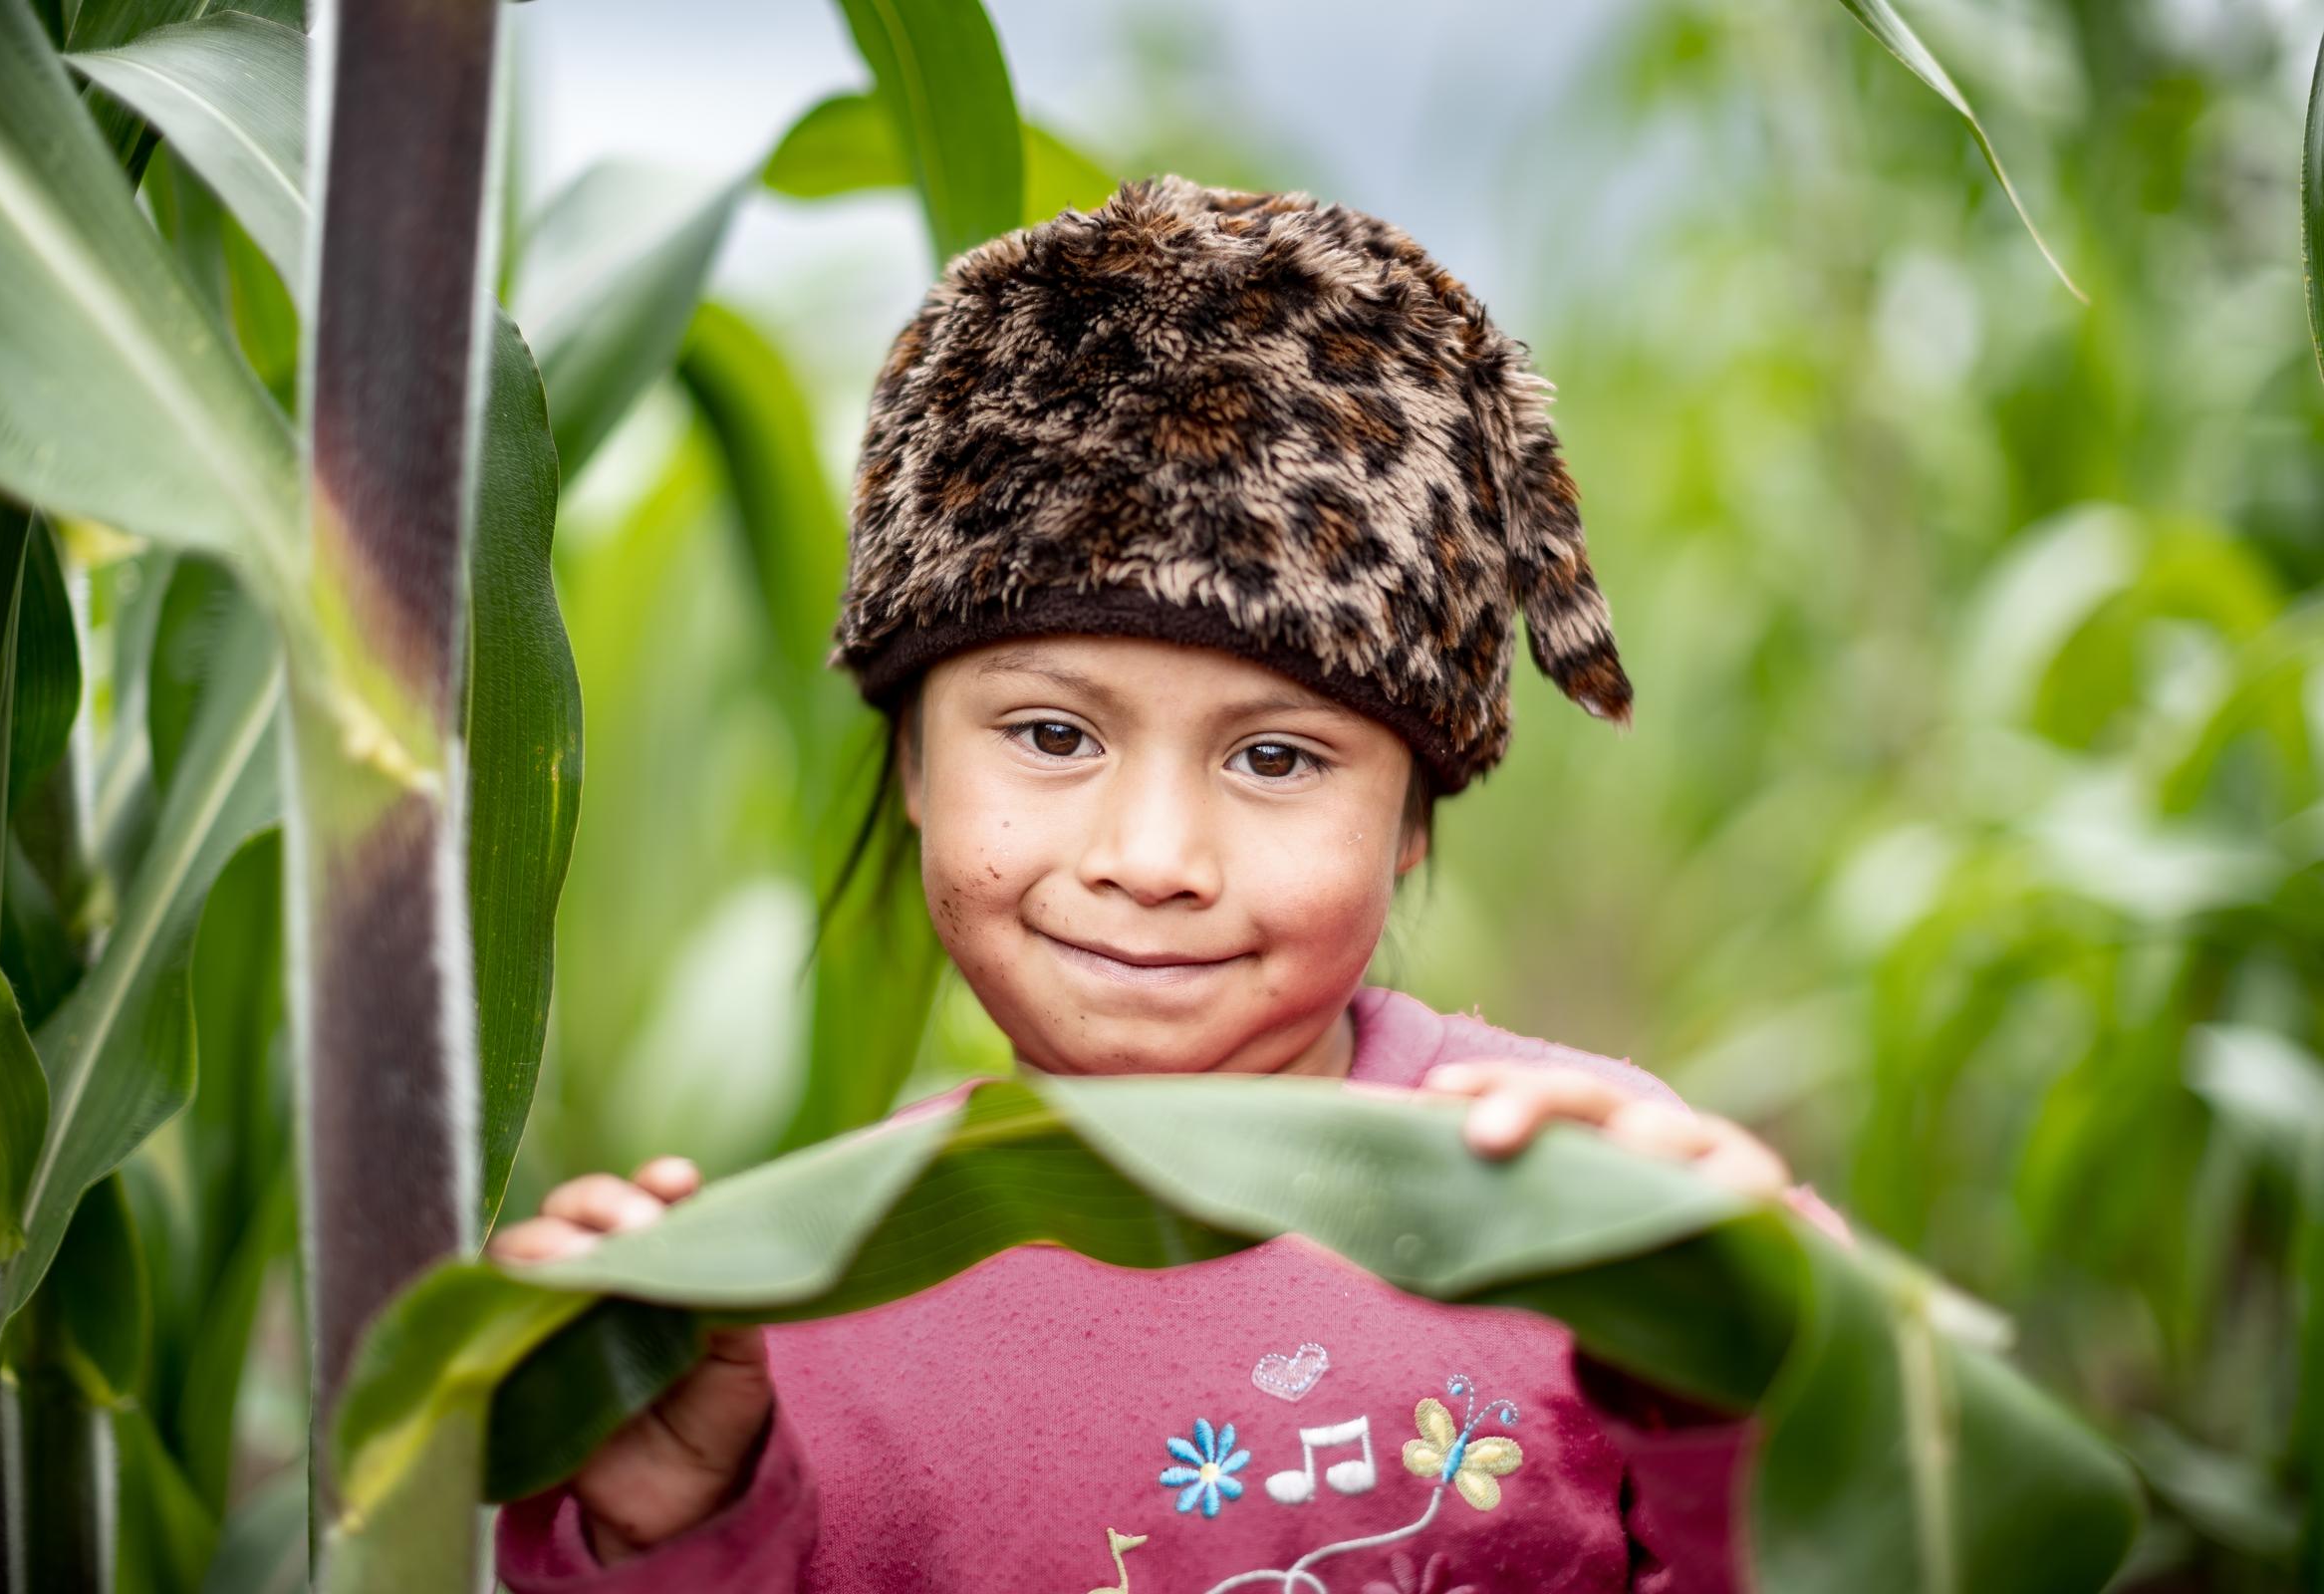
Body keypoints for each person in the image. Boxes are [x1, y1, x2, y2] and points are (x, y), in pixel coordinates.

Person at [490, 172, 1849, 1593]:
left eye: (1274, 759)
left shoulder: (1600, 1205)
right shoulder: (786, 1303)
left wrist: (1755, 1386)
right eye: (1053, 736)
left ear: (1414, 823)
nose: (1151, 861)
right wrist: (671, 1523)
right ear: (910, 768)